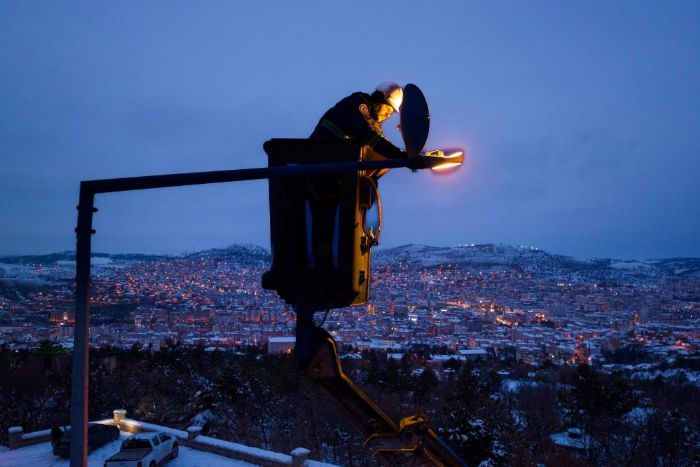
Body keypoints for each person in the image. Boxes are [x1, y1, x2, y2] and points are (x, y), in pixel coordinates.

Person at [305, 82, 406, 271]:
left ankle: (325, 266)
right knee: (323, 220)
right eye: (390, 110)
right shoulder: (359, 104)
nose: (389, 115)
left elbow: (378, 145)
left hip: (333, 174)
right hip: (320, 166)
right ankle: (322, 267)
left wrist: (402, 156)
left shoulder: (372, 122)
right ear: (381, 100)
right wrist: (400, 155)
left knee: (326, 221)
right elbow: (370, 138)